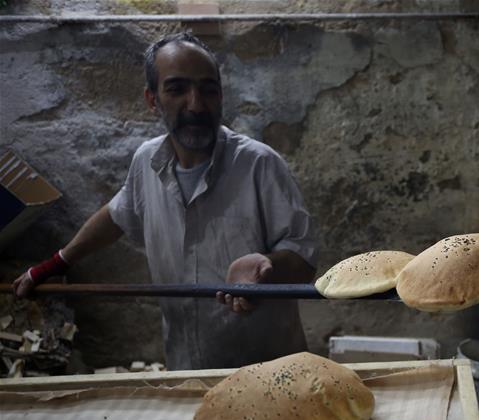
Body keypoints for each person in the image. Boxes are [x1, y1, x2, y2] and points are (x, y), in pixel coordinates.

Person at [13, 32, 318, 370]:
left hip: (267, 367)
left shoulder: (259, 164)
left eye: (208, 89)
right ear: (152, 99)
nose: (196, 105)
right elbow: (117, 215)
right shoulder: (147, 162)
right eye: (177, 89)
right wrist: (55, 265)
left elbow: (303, 256)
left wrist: (266, 269)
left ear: (221, 95)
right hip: (186, 365)